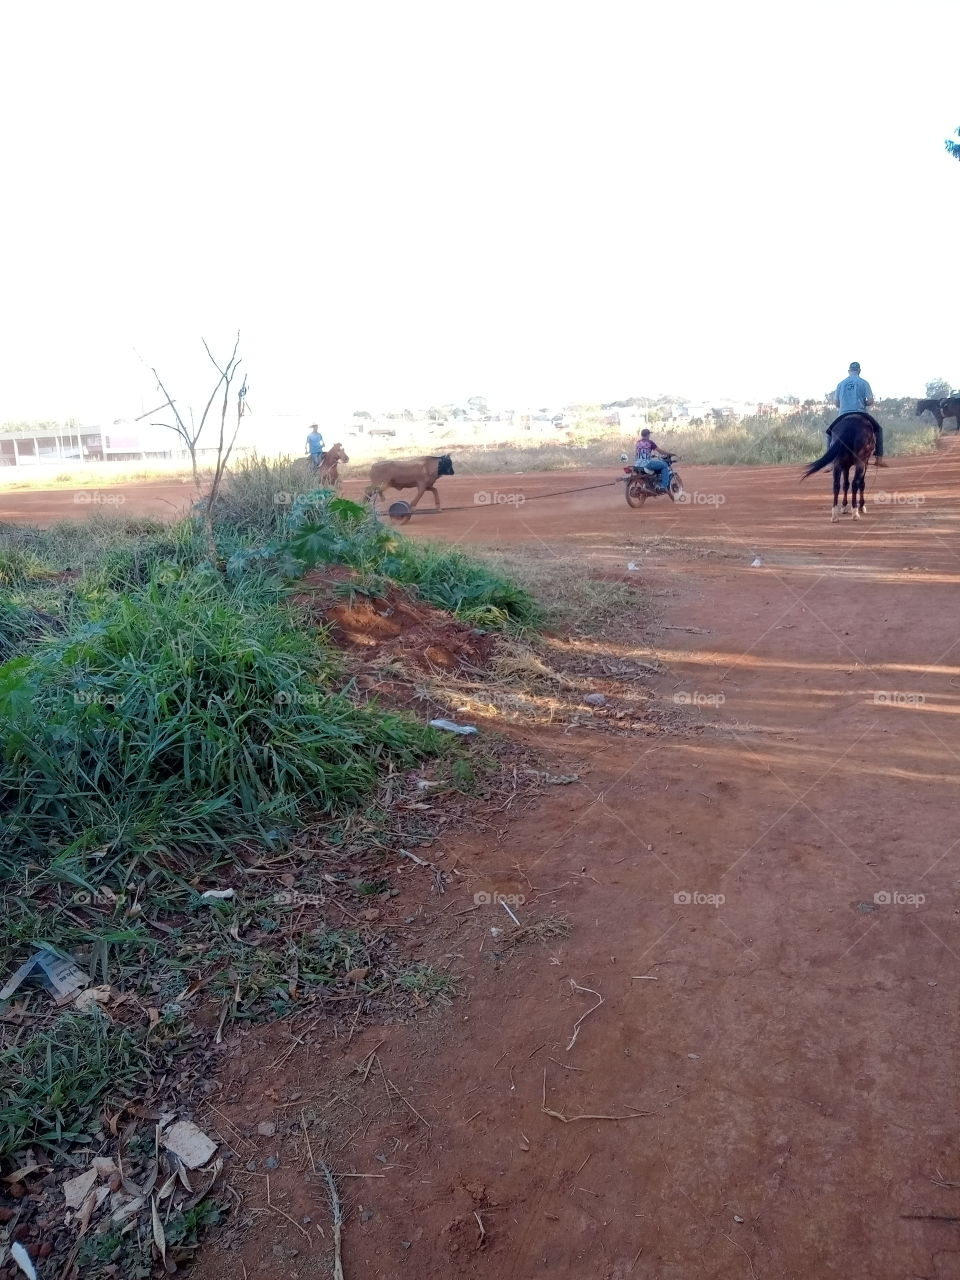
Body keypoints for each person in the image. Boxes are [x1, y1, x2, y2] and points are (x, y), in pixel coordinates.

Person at [832, 363, 887, 466]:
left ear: (849, 371)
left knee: (830, 433)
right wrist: (864, 403)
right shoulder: (864, 383)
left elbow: (836, 404)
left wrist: (845, 404)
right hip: (860, 412)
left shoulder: (840, 384)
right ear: (859, 371)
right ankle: (879, 459)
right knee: (879, 430)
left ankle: (831, 462)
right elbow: (870, 401)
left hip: (843, 414)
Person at [634, 427, 672, 492]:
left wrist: (649, 456)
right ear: (648, 435)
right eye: (649, 434)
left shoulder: (638, 443)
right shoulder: (650, 442)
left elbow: (638, 454)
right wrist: (669, 453)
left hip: (637, 464)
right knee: (664, 465)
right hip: (646, 464)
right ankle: (663, 486)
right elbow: (660, 451)